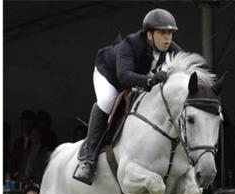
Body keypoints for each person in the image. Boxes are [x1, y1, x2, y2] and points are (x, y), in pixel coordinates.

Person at [73, 8, 181, 184]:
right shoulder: (129, 45)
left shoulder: (171, 49)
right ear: (149, 34)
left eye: (170, 33)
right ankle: (88, 159)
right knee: (108, 101)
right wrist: (151, 79)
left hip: (138, 80)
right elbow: (124, 76)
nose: (167, 37)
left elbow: (187, 64)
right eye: (162, 32)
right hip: (109, 75)